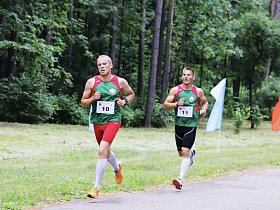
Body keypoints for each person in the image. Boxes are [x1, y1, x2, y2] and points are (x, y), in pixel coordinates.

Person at [81, 55, 135, 198]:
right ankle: (117, 168)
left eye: (105, 64)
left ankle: (95, 188)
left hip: (113, 120)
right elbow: (83, 103)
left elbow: (131, 94)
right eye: (99, 64)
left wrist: (124, 101)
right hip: (98, 121)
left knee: (101, 151)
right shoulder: (92, 82)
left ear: (111, 65)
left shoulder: (120, 81)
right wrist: (93, 98)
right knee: (105, 152)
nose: (102, 66)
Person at [163, 67, 208, 190]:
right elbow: (165, 105)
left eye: (188, 75)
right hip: (179, 125)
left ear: (193, 77)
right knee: (181, 153)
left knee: (185, 151)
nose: (186, 77)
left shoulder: (198, 91)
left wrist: (203, 109)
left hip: (191, 126)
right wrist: (176, 104)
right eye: (184, 75)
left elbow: (205, 102)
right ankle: (192, 153)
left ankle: (180, 179)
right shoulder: (175, 90)